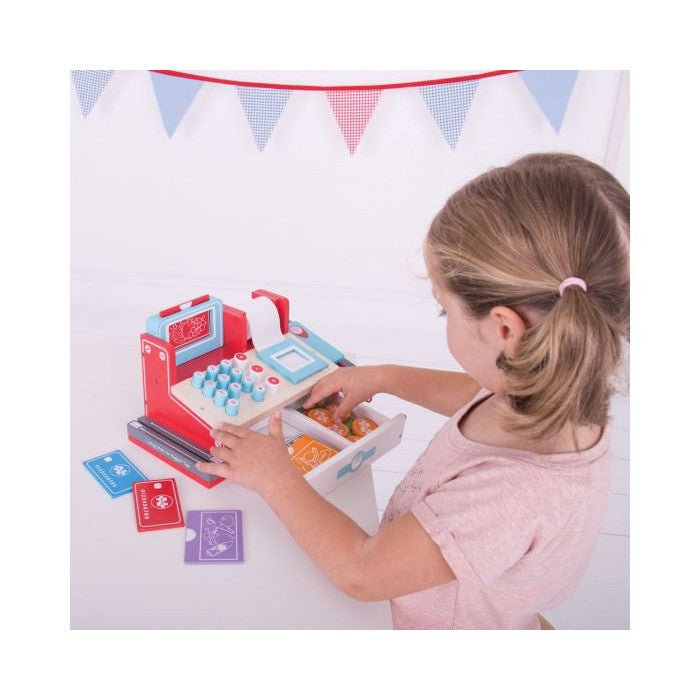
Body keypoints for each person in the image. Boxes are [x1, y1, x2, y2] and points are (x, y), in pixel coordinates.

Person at [197, 152, 630, 629]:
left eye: (445, 310)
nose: (444, 317)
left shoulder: (510, 496)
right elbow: (478, 395)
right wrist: (387, 377)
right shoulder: (564, 388)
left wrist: (275, 477)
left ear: (505, 329)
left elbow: (361, 573)